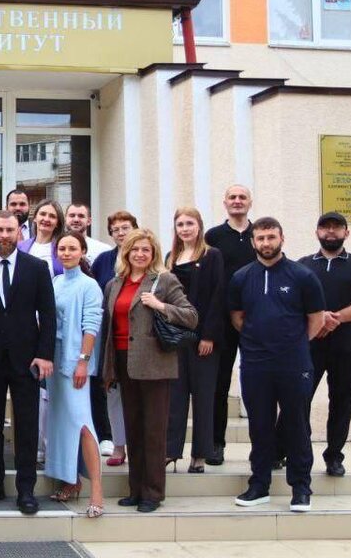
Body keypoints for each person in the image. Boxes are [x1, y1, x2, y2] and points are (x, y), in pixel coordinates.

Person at [229, 217, 325, 513]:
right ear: (253, 242)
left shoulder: (303, 276)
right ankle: (259, 485)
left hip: (294, 363)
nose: (266, 243)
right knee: (259, 425)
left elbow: (316, 319)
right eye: (260, 238)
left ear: (282, 238)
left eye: (271, 237)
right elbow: (237, 318)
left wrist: (292, 344)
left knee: (297, 424)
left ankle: (301, 488)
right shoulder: (242, 277)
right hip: (255, 363)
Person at [0, 210, 55, 515]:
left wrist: (45, 354)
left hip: (27, 359)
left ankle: (26, 489)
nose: (5, 235)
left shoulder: (37, 267)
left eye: (10, 230)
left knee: (26, 425)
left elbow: (48, 314)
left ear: (20, 232)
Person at [100, 228, 197, 514]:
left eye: (146, 249)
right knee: (132, 428)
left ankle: (153, 492)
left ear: (153, 253)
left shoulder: (164, 280)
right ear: (126, 252)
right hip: (123, 361)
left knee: (153, 430)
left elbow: (191, 316)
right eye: (135, 249)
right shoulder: (114, 283)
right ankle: (135, 489)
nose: (140, 254)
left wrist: (160, 305)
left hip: (154, 364)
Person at [298, 212, 351, 477]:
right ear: (317, 232)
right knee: (298, 399)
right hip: (309, 346)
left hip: (349, 347)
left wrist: (335, 318)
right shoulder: (302, 266)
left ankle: (334, 456)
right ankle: (293, 450)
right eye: (325, 227)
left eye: (336, 227)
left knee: (342, 402)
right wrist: (317, 319)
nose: (330, 231)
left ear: (346, 232)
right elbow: (293, 302)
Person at [46, 231, 105, 518]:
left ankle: (97, 492)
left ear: (82, 252)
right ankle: (71, 480)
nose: (66, 253)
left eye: (72, 248)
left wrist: (83, 361)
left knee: (82, 423)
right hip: (55, 362)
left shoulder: (89, 285)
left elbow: (91, 325)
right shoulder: (56, 282)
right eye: (62, 249)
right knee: (61, 423)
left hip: (76, 362)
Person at [164, 208, 227, 474]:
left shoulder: (212, 255)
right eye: (180, 224)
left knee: (203, 397)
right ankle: (171, 451)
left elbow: (218, 295)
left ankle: (200, 454)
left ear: (199, 226)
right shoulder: (170, 258)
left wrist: (209, 335)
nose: (185, 229)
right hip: (176, 338)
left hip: (203, 338)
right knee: (175, 398)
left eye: (189, 223)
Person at [204, 184, 256, 466]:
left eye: (242, 197)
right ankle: (215, 443)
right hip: (222, 322)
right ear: (225, 203)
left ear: (250, 202)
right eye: (232, 197)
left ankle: (264, 447)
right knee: (219, 384)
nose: (237, 201)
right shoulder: (213, 237)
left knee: (258, 385)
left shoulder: (260, 234)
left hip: (255, 321)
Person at [18, 198, 64, 466]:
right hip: (24, 326)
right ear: (34, 218)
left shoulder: (62, 247)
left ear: (58, 222)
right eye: (42, 214)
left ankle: (47, 446)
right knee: (31, 391)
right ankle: (32, 444)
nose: (46, 219)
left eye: (52, 216)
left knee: (47, 391)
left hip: (51, 324)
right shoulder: (23, 246)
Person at [93, 211, 139, 466]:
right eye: (116, 230)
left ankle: (139, 447)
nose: (121, 233)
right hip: (110, 335)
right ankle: (119, 445)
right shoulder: (103, 260)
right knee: (113, 391)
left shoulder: (145, 256)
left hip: (141, 338)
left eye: (125, 228)